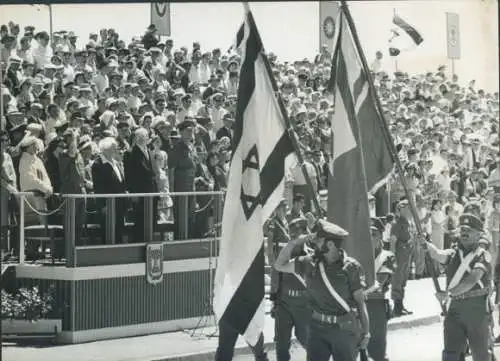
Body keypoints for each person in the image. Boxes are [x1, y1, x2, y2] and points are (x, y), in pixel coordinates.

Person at [274, 219, 370, 361]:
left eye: (319, 240)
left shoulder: (351, 267)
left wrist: (366, 333)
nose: (314, 243)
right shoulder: (309, 262)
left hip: (344, 329)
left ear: (330, 244)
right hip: (317, 329)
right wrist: (295, 242)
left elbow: (360, 303)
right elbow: (279, 265)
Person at [424, 213, 493, 361]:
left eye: (469, 231)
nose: (464, 233)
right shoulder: (453, 253)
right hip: (454, 310)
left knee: (481, 355)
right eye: (462, 230)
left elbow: (471, 280)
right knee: (451, 354)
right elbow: (437, 254)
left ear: (478, 234)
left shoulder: (483, 256)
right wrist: (425, 244)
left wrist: (448, 294)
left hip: (477, 311)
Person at [272, 217, 310, 361]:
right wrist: (275, 301)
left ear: (305, 233)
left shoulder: (311, 255)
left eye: (297, 232)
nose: (293, 235)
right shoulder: (284, 254)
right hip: (284, 304)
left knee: (307, 340)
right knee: (281, 345)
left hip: (304, 305)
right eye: (291, 233)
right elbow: (277, 276)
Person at [365, 217, 396, 361]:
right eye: (368, 234)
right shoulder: (358, 256)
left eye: (374, 234)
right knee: (359, 349)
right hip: (358, 305)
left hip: (375, 305)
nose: (370, 238)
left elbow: (379, 283)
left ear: (380, 236)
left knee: (377, 350)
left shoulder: (387, 256)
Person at [390, 199, 414, 316]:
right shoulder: (397, 224)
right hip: (399, 255)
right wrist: (393, 258)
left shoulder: (408, 222)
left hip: (406, 255)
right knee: (397, 280)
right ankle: (397, 307)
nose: (409, 211)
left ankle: (401, 305)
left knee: (403, 280)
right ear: (401, 209)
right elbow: (393, 242)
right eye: (407, 208)